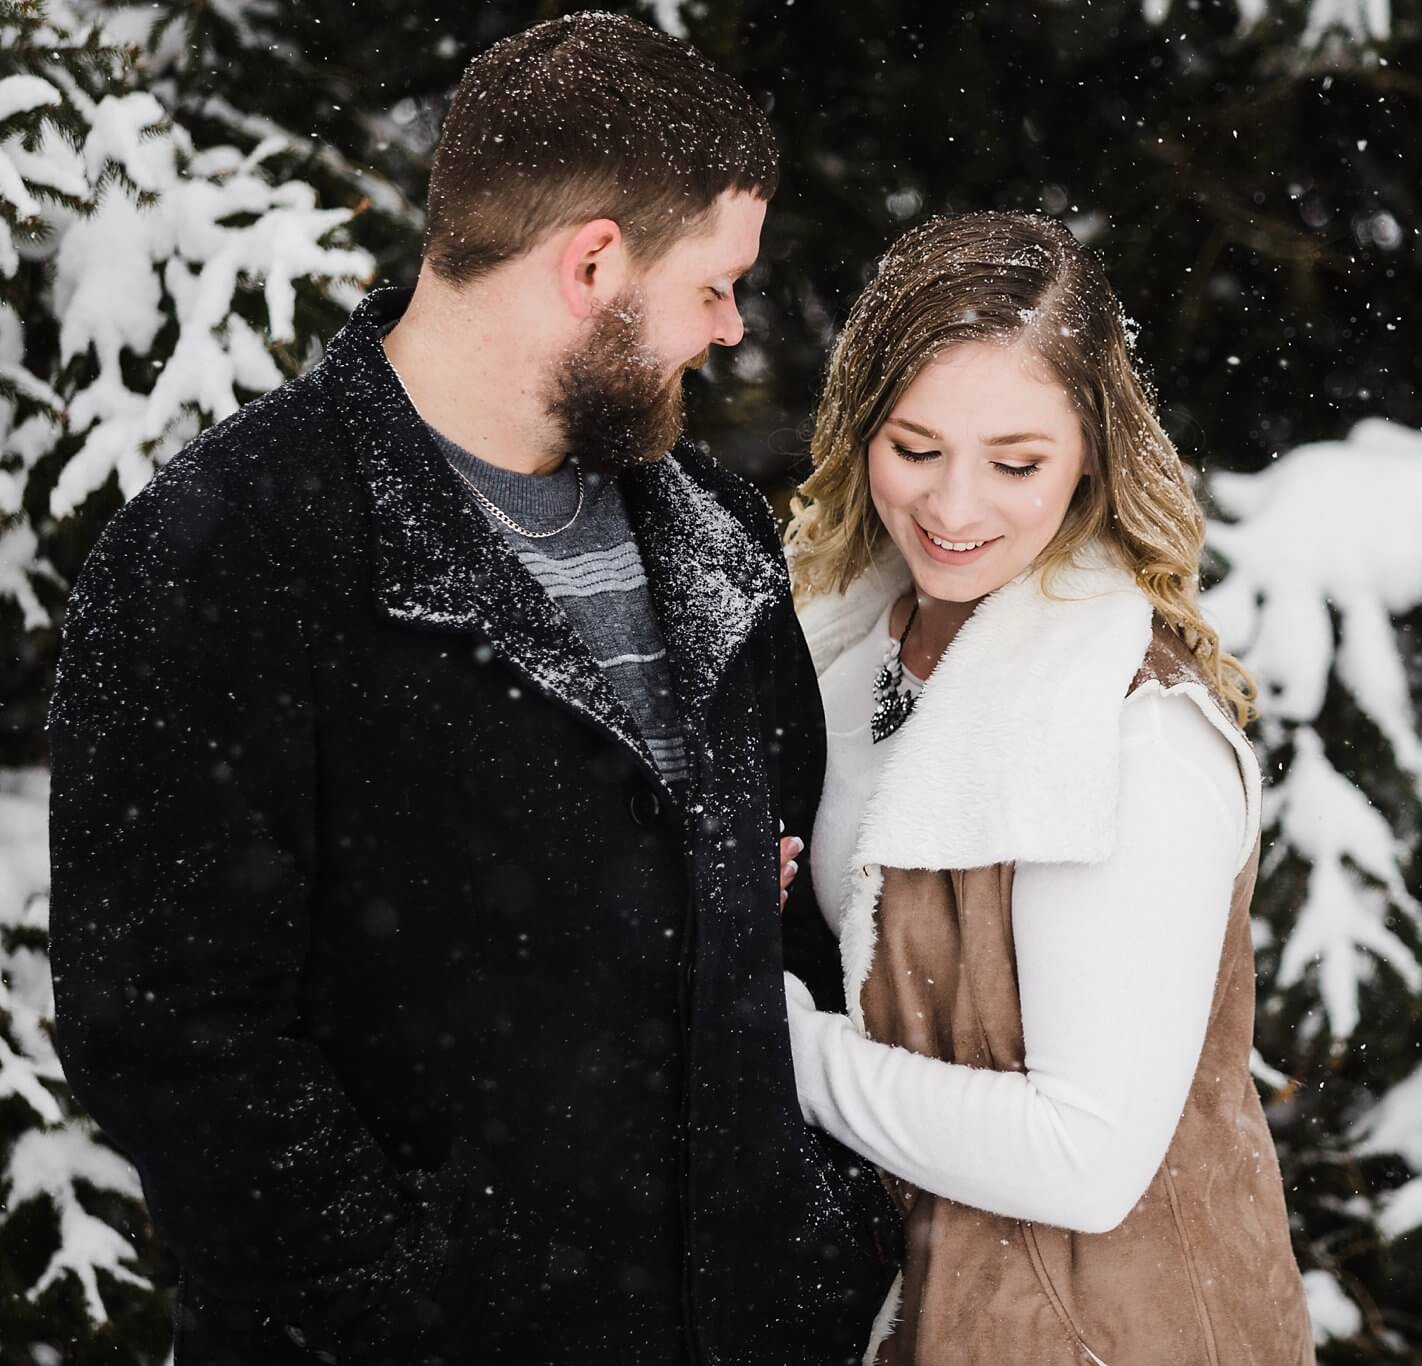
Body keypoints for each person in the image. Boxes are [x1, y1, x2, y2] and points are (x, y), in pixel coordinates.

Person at [46, 14, 893, 1366]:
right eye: (715, 283)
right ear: (595, 262)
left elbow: (794, 928)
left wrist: (822, 1227)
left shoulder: (718, 539)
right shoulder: (233, 551)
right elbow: (170, 1030)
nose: (732, 328)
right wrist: (405, 1306)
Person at [779, 211, 1314, 1365]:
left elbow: (1084, 1157)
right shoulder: (837, 648)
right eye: (914, 448)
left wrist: (767, 1042)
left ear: (1091, 456)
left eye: (1015, 463)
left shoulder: (1133, 737)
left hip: (1114, 1331)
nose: (953, 508)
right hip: (906, 1304)